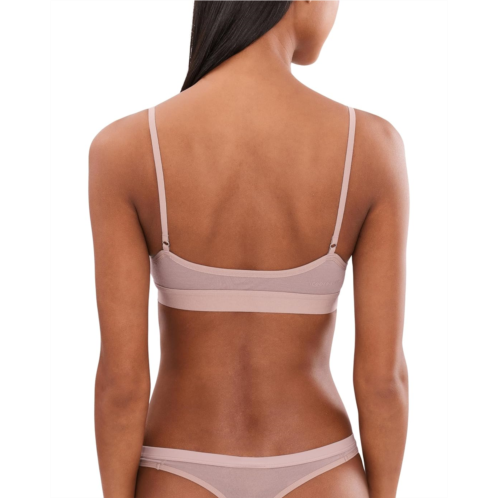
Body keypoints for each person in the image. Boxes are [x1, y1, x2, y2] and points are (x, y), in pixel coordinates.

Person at [89, 1, 409, 497]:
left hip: (178, 470)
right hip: (321, 470)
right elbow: (383, 382)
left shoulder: (124, 148)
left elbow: (121, 385)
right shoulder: (371, 147)